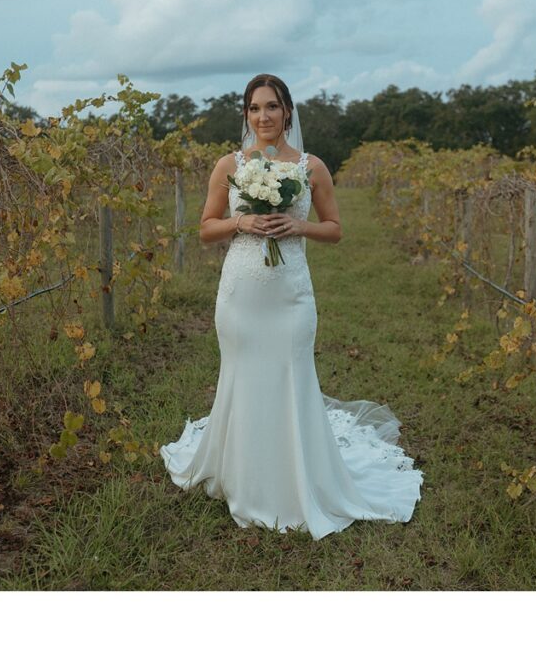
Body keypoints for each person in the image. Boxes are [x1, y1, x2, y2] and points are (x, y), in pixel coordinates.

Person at [160, 73, 423, 540]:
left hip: (290, 295)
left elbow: (335, 228)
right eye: (255, 108)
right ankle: (242, 475)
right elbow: (205, 229)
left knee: (290, 373)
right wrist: (241, 221)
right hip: (241, 295)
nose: (264, 116)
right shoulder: (230, 165)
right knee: (243, 377)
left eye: (273, 107)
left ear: (288, 112)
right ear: (246, 114)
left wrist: (296, 227)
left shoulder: (310, 166)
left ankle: (296, 480)